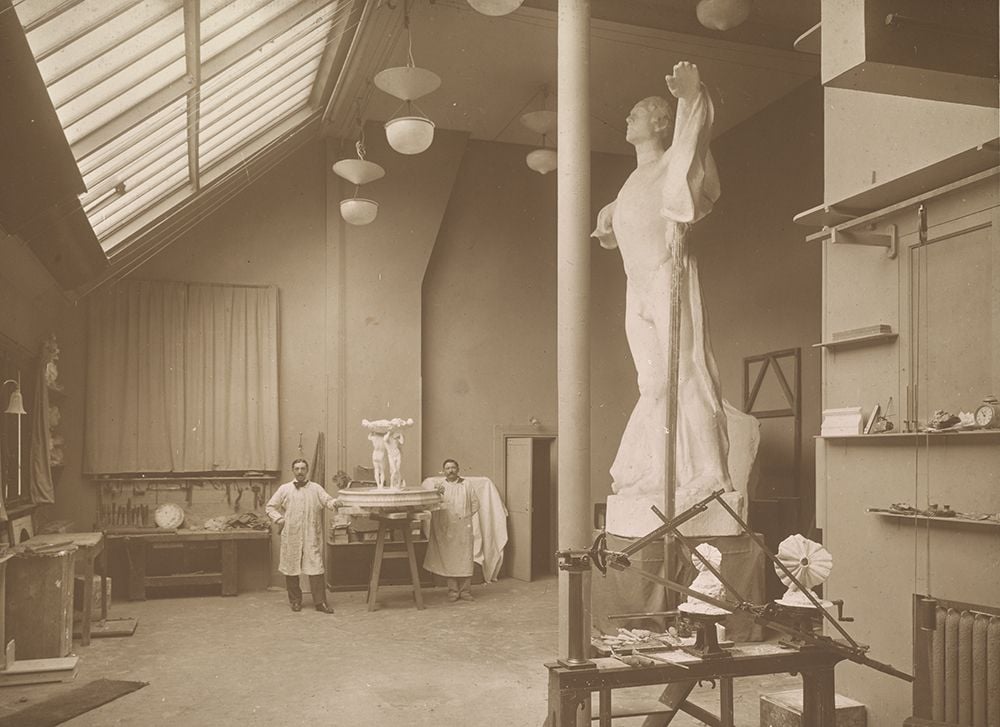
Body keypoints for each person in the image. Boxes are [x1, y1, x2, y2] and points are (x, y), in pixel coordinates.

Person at [591, 61, 733, 515]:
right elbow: (630, 213)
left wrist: (691, 97)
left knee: (686, 372)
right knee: (651, 383)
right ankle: (659, 471)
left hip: (667, 274)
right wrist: (611, 211)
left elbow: (697, 137)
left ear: (660, 121)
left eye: (637, 112)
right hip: (637, 287)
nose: (628, 119)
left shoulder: (675, 160)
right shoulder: (632, 182)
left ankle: (709, 472)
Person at [266, 458, 339, 613]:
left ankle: (320, 603)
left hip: (311, 534)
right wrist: (279, 519)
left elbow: (327, 500)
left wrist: (335, 503)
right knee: (291, 567)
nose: (300, 471)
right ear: (293, 470)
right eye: (297, 469)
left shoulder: (316, 488)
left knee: (316, 567)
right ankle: (295, 601)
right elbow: (270, 506)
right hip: (291, 534)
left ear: (306, 471)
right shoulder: (284, 489)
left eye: (303, 468)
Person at [423, 458, 480, 602]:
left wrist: (464, 518)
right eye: (447, 468)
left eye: (453, 467)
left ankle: (466, 591)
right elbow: (434, 506)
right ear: (444, 471)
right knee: (450, 559)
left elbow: (475, 504)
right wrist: (437, 494)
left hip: (463, 528)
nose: (451, 470)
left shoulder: (467, 484)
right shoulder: (440, 486)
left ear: (458, 469)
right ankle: (453, 591)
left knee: (465, 559)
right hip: (447, 529)